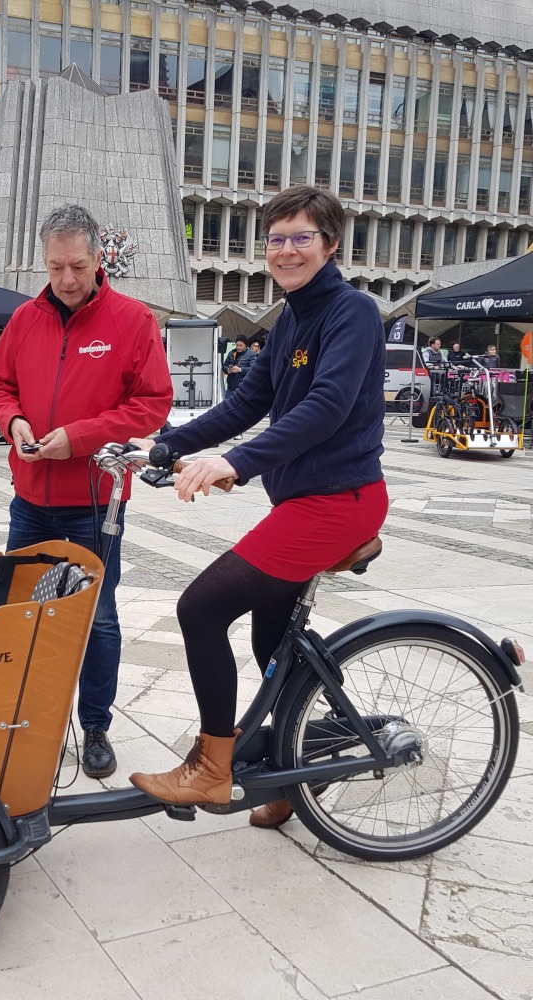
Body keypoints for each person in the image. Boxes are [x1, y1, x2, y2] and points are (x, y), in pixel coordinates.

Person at [119, 186, 387, 824]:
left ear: (330, 243)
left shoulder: (353, 312)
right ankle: (290, 778)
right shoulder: (291, 315)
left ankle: (214, 769)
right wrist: (165, 445)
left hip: (339, 501)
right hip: (304, 503)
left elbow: (327, 406)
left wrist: (236, 462)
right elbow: (248, 401)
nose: (286, 251)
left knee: (201, 607)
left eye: (301, 238)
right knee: (274, 640)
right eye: (276, 239)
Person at [0, 203, 172, 779]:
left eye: (78, 265)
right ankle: (22, 719)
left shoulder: (132, 320)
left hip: (95, 504)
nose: (66, 279)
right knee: (19, 613)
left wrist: (81, 438)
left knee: (99, 619)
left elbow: (152, 403)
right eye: (55, 266)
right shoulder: (24, 319)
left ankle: (95, 726)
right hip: (30, 503)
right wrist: (12, 420)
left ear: (99, 258)